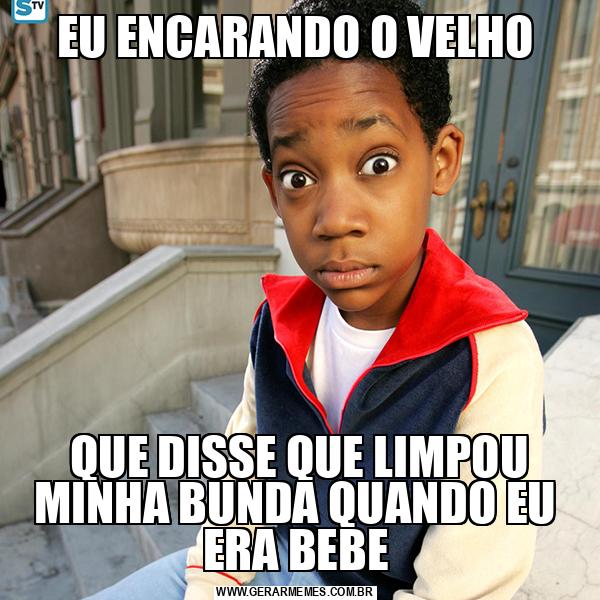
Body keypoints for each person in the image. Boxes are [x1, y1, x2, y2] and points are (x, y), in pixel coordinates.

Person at [88, 0, 544, 599]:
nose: (334, 219)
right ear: (273, 192)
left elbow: (460, 586)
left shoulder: (489, 353)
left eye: (378, 163)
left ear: (441, 160)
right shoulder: (278, 323)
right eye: (299, 178)